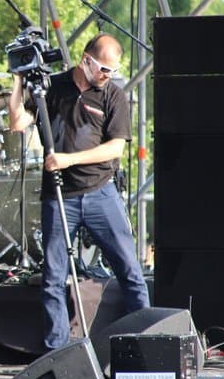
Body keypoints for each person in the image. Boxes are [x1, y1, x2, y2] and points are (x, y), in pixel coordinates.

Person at [8, 32, 149, 351]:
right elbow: (17, 122)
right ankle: (57, 352)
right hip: (60, 197)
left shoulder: (113, 95)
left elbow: (114, 148)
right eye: (104, 69)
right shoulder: (51, 88)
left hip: (101, 192)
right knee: (53, 277)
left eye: (113, 70)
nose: (108, 75)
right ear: (86, 61)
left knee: (130, 270)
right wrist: (18, 80)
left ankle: (146, 344)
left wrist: (68, 159)